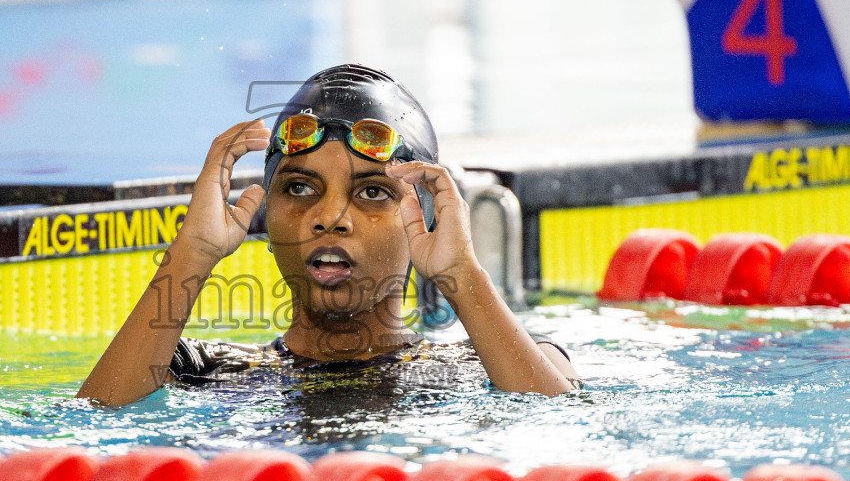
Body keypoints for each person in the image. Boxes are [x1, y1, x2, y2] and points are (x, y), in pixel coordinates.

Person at [77, 65, 578, 407]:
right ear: (268, 216)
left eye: (372, 193)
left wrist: (462, 277)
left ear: (421, 217)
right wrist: (192, 254)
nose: (330, 217)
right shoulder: (199, 372)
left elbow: (557, 433)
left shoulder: (492, 365)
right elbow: (91, 427)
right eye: (299, 187)